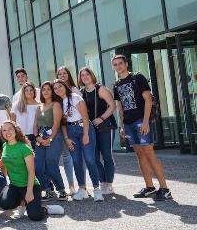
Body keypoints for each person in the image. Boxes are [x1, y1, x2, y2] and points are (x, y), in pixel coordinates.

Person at [112, 54, 171, 200]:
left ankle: (165, 188)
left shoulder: (137, 77)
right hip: (128, 123)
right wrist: (122, 126)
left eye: (120, 63)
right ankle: (149, 187)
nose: (118, 66)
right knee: (139, 154)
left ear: (126, 64)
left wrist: (145, 122)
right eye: (115, 64)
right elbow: (120, 107)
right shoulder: (117, 85)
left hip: (140, 120)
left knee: (149, 153)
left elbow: (148, 100)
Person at [0, 121, 64, 221]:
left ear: (16, 130)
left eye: (10, 129)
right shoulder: (5, 146)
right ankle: (22, 204)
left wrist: (29, 191)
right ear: (1, 133)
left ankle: (45, 209)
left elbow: (31, 171)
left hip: (30, 185)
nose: (8, 132)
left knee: (35, 216)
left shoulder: (24, 148)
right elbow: (3, 161)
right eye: (4, 130)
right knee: (4, 203)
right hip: (14, 185)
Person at [53, 79, 103, 202]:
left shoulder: (75, 97)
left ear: (65, 86)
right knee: (76, 160)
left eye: (60, 86)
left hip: (84, 128)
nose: (58, 89)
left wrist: (86, 134)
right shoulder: (59, 103)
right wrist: (66, 138)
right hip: (70, 132)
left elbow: (85, 116)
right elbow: (63, 123)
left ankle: (97, 189)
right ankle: (82, 189)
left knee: (90, 159)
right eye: (55, 88)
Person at [79, 67, 117, 195]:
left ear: (92, 75)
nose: (85, 77)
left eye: (87, 74)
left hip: (105, 125)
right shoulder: (81, 92)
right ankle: (103, 183)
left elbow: (113, 106)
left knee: (106, 155)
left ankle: (109, 184)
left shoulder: (100, 89)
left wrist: (101, 118)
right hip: (91, 128)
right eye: (82, 75)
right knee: (94, 158)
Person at [33, 82, 67, 201]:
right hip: (40, 137)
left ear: (52, 91)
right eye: (43, 90)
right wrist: (37, 137)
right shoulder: (39, 107)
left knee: (51, 163)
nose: (46, 92)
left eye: (48, 89)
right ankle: (47, 190)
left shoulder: (56, 104)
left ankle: (61, 190)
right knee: (38, 166)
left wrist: (50, 139)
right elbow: (35, 125)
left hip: (54, 135)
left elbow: (57, 124)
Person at [56, 66, 79, 195]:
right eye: (60, 74)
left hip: (75, 127)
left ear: (69, 75)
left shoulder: (75, 91)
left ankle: (82, 185)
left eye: (65, 73)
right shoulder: (56, 92)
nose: (62, 75)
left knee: (78, 156)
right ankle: (71, 185)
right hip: (62, 128)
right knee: (67, 156)